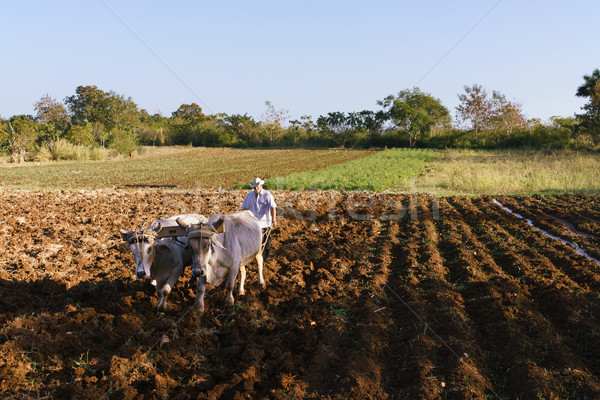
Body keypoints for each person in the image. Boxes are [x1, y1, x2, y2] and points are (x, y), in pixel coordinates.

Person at [241, 177, 277, 260]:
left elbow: (273, 207)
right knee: (254, 241)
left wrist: (274, 220)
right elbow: (245, 208)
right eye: (254, 187)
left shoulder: (267, 195)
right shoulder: (249, 195)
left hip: (264, 223)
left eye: (257, 186)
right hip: (253, 223)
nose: (256, 188)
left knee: (266, 241)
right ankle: (254, 256)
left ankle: (266, 257)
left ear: (261, 185)